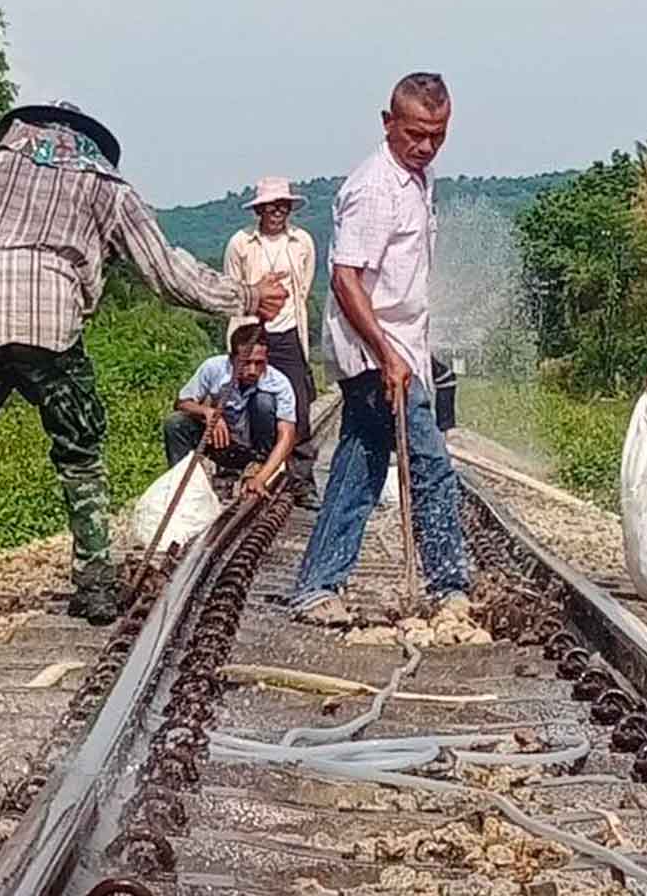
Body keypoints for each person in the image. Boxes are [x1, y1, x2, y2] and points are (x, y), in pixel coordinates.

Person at [0, 101, 288, 655]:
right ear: (89, 140)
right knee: (80, 454)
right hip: (53, 331)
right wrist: (248, 296)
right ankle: (93, 582)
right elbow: (166, 273)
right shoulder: (107, 185)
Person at [289, 72, 469, 627]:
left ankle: (318, 585)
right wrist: (387, 355)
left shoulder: (419, 179)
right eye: (415, 134)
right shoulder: (373, 188)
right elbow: (345, 280)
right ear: (387, 123)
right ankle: (450, 587)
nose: (425, 146)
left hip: (400, 350)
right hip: (376, 355)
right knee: (431, 464)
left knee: (359, 465)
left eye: (437, 135)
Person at [224, 177, 321, 508]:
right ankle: (238, 466)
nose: (277, 211)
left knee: (299, 405)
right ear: (260, 210)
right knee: (243, 399)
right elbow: (232, 291)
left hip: (289, 331)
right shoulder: (241, 243)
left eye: (283, 205)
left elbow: (304, 288)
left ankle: (301, 480)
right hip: (252, 330)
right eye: (271, 206)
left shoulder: (302, 242)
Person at [164, 324, 298, 498]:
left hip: (255, 450)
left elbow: (287, 436)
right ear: (231, 359)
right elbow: (182, 402)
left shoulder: (279, 383)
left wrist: (261, 478)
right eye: (245, 363)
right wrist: (208, 412)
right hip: (224, 444)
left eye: (259, 363)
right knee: (175, 424)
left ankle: (258, 467)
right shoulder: (213, 368)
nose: (252, 371)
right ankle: (183, 487)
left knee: (263, 401)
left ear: (267, 358)